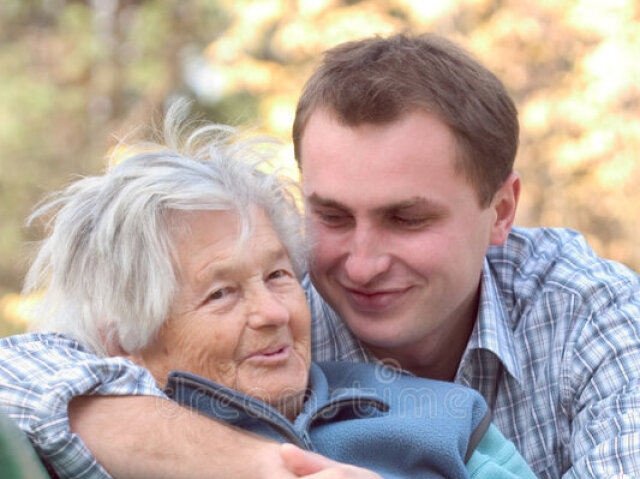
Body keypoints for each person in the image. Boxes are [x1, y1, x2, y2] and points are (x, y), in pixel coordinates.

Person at [0, 32, 639, 478]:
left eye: (406, 219)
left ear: (500, 212)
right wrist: (272, 468)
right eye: (330, 215)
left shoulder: (588, 313)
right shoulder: (277, 286)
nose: (359, 264)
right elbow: (22, 373)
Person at [0, 106, 536, 479]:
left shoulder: (442, 417)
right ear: (122, 339)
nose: (274, 312)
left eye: (278, 275)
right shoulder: (89, 446)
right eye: (221, 294)